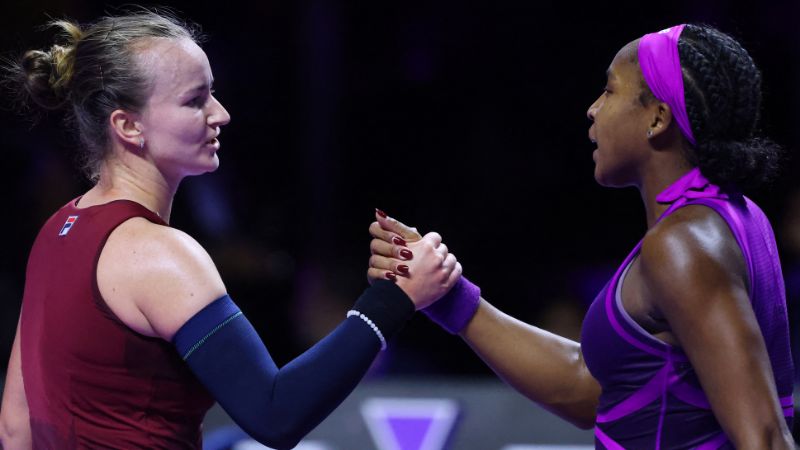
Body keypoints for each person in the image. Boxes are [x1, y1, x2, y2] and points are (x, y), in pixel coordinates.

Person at [0, 9, 462, 450]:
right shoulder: (161, 254)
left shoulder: (57, 228)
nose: (220, 114)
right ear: (127, 125)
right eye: (194, 100)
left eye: (212, 93)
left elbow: (15, 429)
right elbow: (276, 413)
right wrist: (392, 299)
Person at [368, 24, 795, 448]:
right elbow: (589, 391)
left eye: (610, 91)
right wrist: (450, 295)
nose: (592, 109)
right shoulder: (731, 219)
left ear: (658, 117)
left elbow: (766, 438)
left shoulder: (682, 246)